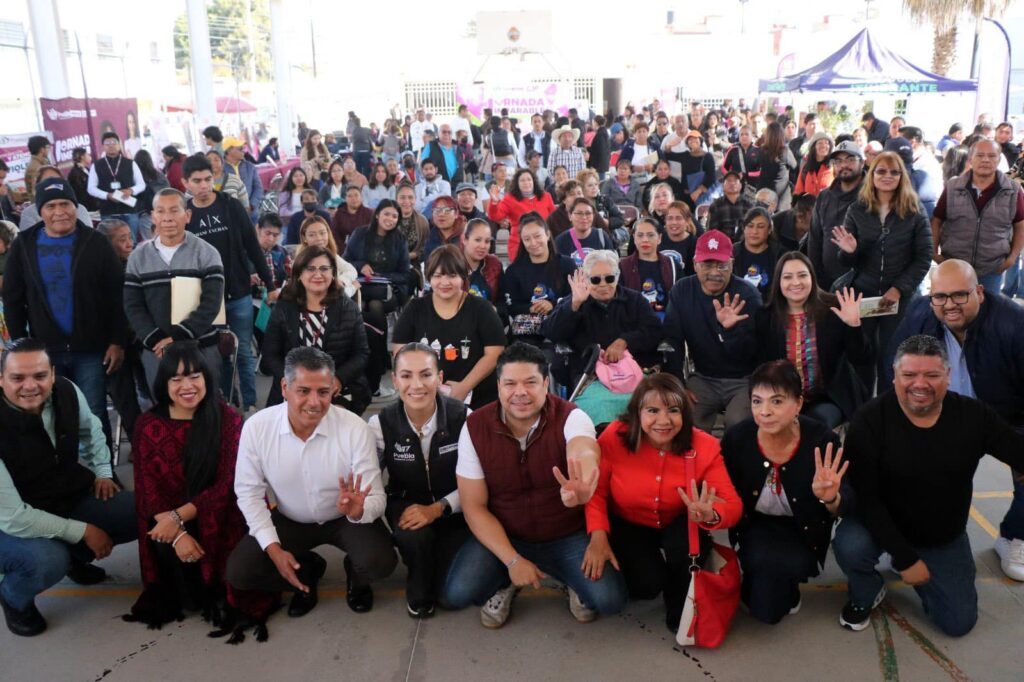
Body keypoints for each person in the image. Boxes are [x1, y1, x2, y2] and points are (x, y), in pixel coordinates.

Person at [833, 335, 1024, 635]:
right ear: (893, 376)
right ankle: (868, 587)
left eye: (932, 375)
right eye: (909, 375)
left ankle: (932, 571)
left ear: (948, 376)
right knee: (850, 545)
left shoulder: (974, 416)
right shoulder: (868, 420)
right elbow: (867, 498)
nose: (919, 384)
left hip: (941, 534)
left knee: (958, 623)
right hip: (881, 522)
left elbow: (1017, 451)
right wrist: (906, 559)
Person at [443, 342, 626, 627]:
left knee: (609, 601)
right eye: (510, 383)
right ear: (499, 385)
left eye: (530, 382)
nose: (520, 392)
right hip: (507, 533)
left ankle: (566, 577)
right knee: (458, 593)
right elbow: (473, 506)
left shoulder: (571, 417)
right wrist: (512, 560)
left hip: (565, 534)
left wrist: (583, 484)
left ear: (545, 383)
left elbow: (584, 449)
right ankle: (507, 579)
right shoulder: (475, 426)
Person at [226, 347, 397, 617]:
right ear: (284, 387)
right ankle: (306, 571)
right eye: (303, 391)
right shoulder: (257, 428)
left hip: (343, 518)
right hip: (289, 518)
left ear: (334, 390)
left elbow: (376, 496)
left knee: (380, 561)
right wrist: (273, 549)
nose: (315, 402)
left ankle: (356, 574)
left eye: (323, 392)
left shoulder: (354, 428)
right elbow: (248, 493)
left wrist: (359, 510)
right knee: (240, 572)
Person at [884, 259, 1024, 581]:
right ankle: (910, 539)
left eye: (960, 295)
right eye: (940, 296)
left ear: (980, 292)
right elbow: (894, 366)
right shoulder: (920, 313)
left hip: (1006, 415)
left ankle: (1015, 536)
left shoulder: (1014, 323)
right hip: (945, 413)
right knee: (909, 466)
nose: (949, 305)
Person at [0, 338, 136, 636]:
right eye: (17, 378)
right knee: (46, 560)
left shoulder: (66, 390)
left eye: (39, 375)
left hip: (62, 495)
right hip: (10, 521)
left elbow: (92, 430)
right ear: (1, 379)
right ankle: (13, 597)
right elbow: (14, 517)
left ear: (52, 373)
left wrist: (103, 471)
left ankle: (74, 556)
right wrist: (84, 531)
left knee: (142, 509)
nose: (30, 385)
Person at [585, 373, 741, 631]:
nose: (663, 420)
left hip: (681, 522)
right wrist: (598, 535)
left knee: (684, 551)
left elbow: (732, 505)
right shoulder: (615, 436)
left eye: (673, 410)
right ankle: (663, 573)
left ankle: (683, 583)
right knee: (645, 586)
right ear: (637, 412)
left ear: (686, 413)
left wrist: (711, 513)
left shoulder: (706, 446)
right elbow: (597, 492)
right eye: (652, 410)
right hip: (629, 521)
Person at [123, 342, 248, 629]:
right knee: (184, 596)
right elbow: (147, 489)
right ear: (164, 383)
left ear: (206, 378)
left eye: (194, 376)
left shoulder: (228, 419)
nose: (187, 386)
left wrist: (178, 518)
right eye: (176, 378)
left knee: (229, 587)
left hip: (218, 516)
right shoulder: (147, 424)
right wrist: (177, 534)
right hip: (168, 520)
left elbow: (227, 485)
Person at [3, 177, 127, 455]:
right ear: (40, 211)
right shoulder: (24, 245)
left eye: (66, 204)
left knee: (93, 413)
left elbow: (117, 296)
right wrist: (21, 347)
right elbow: (12, 300)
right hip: (44, 354)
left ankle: (103, 476)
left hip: (91, 350)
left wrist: (117, 341)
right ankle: (62, 479)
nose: (60, 211)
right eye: (51, 206)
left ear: (75, 206)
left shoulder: (96, 242)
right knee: (49, 417)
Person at [720, 360, 846, 624]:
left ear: (798, 403)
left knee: (771, 602)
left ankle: (787, 579)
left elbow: (846, 502)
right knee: (762, 606)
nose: (764, 411)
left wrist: (829, 497)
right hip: (756, 526)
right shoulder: (738, 438)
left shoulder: (823, 441)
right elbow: (723, 491)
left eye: (776, 401)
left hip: (802, 528)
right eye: (757, 401)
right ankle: (763, 575)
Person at [368, 343, 471, 617]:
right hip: (407, 505)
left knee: (452, 594)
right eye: (406, 375)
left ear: (439, 378)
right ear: (394, 380)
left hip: (456, 509)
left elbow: (477, 483)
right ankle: (416, 568)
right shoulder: (379, 425)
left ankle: (435, 559)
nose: (417, 385)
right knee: (415, 537)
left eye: (426, 374)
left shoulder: (464, 418)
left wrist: (438, 508)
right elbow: (370, 481)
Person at [831, 150, 932, 387]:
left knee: (893, 358)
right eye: (882, 171)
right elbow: (845, 262)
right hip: (863, 295)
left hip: (898, 299)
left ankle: (890, 406)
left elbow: (924, 256)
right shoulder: (857, 209)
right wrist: (849, 251)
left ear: (902, 177)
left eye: (894, 172)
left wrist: (898, 289)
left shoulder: (914, 211)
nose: (888, 176)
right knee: (862, 356)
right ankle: (863, 409)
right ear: (872, 174)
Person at [182, 155, 272, 414]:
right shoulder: (185, 213)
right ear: (185, 183)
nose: (203, 185)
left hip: (238, 291)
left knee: (243, 350)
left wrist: (270, 283)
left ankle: (252, 404)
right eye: (197, 181)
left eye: (208, 179)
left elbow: (252, 246)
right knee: (216, 355)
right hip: (206, 299)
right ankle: (226, 405)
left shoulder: (230, 205)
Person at [124, 189, 224, 392]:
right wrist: (154, 338)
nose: (167, 218)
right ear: (153, 216)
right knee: (161, 409)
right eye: (160, 211)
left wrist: (179, 337)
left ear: (187, 215)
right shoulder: (138, 257)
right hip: (156, 349)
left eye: (174, 211)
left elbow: (211, 303)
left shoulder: (207, 252)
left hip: (201, 346)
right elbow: (133, 305)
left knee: (206, 405)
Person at [754, 252, 869, 428]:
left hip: (828, 397)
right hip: (781, 396)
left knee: (811, 425)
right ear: (779, 282)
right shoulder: (765, 316)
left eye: (802, 275)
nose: (796, 283)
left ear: (812, 279)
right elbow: (755, 360)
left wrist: (853, 325)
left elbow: (862, 358)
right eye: (787, 277)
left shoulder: (835, 308)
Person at [663, 229, 762, 432]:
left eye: (722, 265)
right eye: (707, 264)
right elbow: (671, 340)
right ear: (695, 264)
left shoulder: (748, 294)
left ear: (732, 264)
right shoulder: (681, 291)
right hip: (703, 377)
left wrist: (730, 331)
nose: (715, 272)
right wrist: (678, 384)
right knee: (684, 419)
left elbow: (756, 350)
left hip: (743, 380)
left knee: (739, 424)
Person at [261, 246, 370, 415]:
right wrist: (291, 381)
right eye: (310, 269)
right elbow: (270, 353)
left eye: (324, 269)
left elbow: (361, 353)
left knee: (335, 420)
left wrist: (339, 379)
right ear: (299, 274)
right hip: (293, 384)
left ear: (333, 273)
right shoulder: (284, 307)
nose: (318, 274)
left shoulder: (347, 307)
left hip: (337, 384)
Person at [392, 246, 505, 409]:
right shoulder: (415, 308)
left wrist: (464, 387)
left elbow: (494, 353)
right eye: (438, 276)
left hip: (478, 398)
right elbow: (400, 353)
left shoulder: (481, 308)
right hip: (425, 396)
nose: (445, 283)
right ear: (429, 277)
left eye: (452, 276)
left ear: (463, 276)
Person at [543, 250, 663, 384]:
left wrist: (625, 341)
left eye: (609, 278)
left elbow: (655, 330)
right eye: (595, 279)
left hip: (634, 371)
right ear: (586, 279)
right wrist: (575, 305)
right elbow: (551, 332)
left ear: (617, 277)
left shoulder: (635, 300)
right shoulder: (574, 301)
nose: (603, 284)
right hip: (590, 375)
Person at [931, 138, 1024, 293]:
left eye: (992, 156)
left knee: (987, 314)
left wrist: (1011, 259)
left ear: (999, 160)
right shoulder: (954, 186)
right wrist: (934, 254)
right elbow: (937, 221)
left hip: (992, 269)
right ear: (970, 158)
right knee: (954, 312)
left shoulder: (1012, 190)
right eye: (980, 155)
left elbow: (1020, 226)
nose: (985, 159)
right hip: (954, 265)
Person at [343, 200, 411, 398]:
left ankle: (377, 362)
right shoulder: (360, 233)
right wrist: (361, 265)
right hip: (361, 287)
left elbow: (405, 274)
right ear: (377, 215)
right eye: (387, 214)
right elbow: (345, 261)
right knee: (361, 305)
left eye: (394, 216)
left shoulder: (399, 239)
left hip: (388, 291)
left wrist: (383, 276)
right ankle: (363, 361)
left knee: (375, 307)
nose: (390, 219)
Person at [503, 213, 576, 345]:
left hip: (562, 330)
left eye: (537, 236)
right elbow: (511, 306)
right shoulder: (513, 271)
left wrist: (552, 305)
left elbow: (575, 297)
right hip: (527, 334)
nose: (533, 243)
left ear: (547, 235)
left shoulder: (567, 264)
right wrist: (531, 308)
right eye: (527, 239)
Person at [808, 141, 867, 290]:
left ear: (862, 163)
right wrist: (815, 278)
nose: (844, 165)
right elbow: (815, 238)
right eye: (838, 161)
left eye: (850, 160)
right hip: (825, 282)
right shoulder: (824, 196)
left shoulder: (873, 196)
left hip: (861, 283)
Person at [86, 132, 146, 241]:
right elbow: (91, 188)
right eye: (107, 143)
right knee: (109, 245)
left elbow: (141, 184)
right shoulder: (97, 165)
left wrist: (131, 190)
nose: (111, 145)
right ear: (103, 146)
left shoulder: (130, 163)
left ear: (119, 145)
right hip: (108, 212)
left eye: (114, 142)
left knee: (131, 243)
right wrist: (107, 195)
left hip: (129, 210)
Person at [487, 168, 555, 261]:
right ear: (517, 183)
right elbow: (496, 216)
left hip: (543, 243)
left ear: (534, 181)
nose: (526, 182)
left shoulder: (546, 196)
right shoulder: (510, 199)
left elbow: (554, 218)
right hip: (519, 245)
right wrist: (494, 202)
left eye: (529, 179)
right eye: (522, 180)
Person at [619, 217, 683, 316]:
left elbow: (680, 299)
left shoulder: (672, 264)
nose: (645, 240)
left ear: (659, 238)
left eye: (651, 235)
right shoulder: (623, 266)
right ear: (634, 238)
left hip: (667, 324)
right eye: (640, 235)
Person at [294, 215, 359, 297]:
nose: (319, 238)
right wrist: (353, 287)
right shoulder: (302, 261)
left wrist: (342, 281)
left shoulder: (330, 254)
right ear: (304, 238)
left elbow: (351, 270)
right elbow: (332, 297)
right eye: (312, 235)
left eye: (322, 233)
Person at [733, 207, 782, 296]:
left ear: (770, 229)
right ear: (743, 228)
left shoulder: (780, 254)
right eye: (750, 226)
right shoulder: (732, 252)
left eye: (760, 226)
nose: (754, 231)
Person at [553, 197, 615, 266]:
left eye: (588, 213)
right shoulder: (561, 241)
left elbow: (611, 265)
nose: (584, 217)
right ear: (570, 216)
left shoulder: (602, 236)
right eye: (579, 213)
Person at [663, 130, 718, 207]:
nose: (693, 141)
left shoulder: (707, 156)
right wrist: (668, 145)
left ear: (701, 140)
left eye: (695, 138)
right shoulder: (686, 155)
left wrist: (698, 191)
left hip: (701, 196)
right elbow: (669, 155)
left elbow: (712, 177)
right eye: (690, 139)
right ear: (687, 143)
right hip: (685, 195)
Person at [755, 123, 798, 212]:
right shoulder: (784, 151)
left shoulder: (762, 150)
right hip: (781, 196)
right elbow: (795, 167)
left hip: (763, 193)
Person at [462, 218, 504, 305]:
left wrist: (494, 310)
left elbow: (502, 302)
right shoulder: (452, 264)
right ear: (465, 240)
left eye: (487, 241)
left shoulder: (495, 265)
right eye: (477, 240)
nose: (483, 246)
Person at [132, 150, 170, 241]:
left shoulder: (135, 178)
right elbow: (168, 191)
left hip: (145, 213)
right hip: (162, 211)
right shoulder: (159, 175)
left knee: (149, 241)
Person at [224, 137, 264, 220]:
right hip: (231, 216)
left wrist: (251, 205)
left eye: (243, 148)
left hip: (252, 213)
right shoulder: (219, 170)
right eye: (240, 148)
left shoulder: (250, 166)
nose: (243, 150)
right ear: (229, 150)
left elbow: (258, 188)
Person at [707, 170, 755, 239]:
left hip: (743, 245)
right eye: (729, 181)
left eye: (735, 181)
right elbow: (711, 232)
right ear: (723, 186)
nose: (732, 183)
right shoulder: (716, 205)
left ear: (740, 186)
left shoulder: (748, 205)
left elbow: (752, 230)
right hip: (722, 245)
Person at [329, 184, 374, 253]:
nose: (353, 199)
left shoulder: (369, 213)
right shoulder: (339, 214)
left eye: (356, 195)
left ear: (361, 197)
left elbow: (372, 234)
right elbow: (334, 234)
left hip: (364, 251)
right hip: (343, 251)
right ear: (345, 198)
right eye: (350, 196)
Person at [422, 195, 465, 263]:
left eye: (447, 210)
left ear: (456, 214)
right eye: (437, 210)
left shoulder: (466, 235)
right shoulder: (429, 237)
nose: (441, 214)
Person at [395, 182, 430, 266]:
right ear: (396, 199)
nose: (406, 201)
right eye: (402, 197)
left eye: (410, 197)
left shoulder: (422, 221)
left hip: (415, 265)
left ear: (415, 199)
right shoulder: (389, 219)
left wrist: (411, 255)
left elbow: (426, 246)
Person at [794, 133, 835, 197]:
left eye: (827, 143)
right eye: (820, 143)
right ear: (814, 147)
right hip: (807, 206)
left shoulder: (834, 167)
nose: (824, 145)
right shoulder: (806, 168)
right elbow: (798, 191)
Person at [22, 136, 52, 203]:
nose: (49, 150)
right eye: (48, 147)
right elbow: (34, 192)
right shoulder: (35, 167)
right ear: (42, 149)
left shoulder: (42, 163)